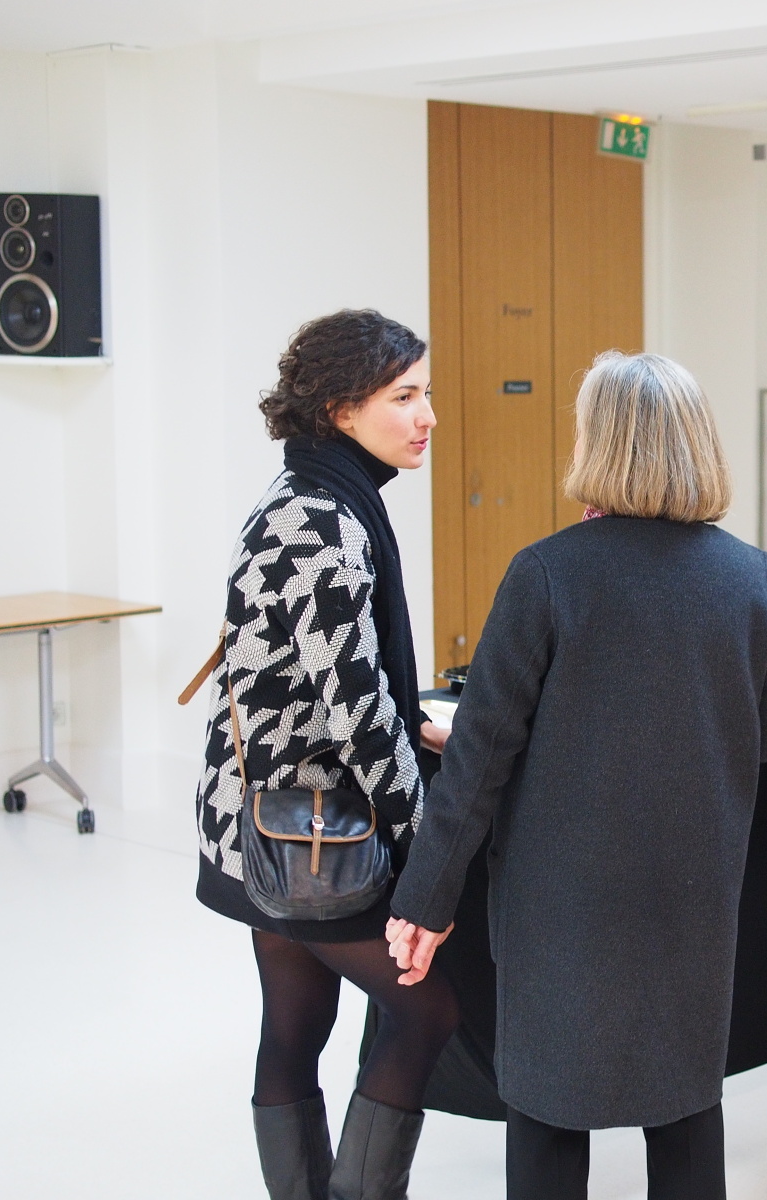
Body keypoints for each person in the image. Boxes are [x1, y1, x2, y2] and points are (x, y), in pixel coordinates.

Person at [385, 351, 767, 1200]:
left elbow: (479, 760)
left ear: (600, 444)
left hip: (561, 908)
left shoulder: (548, 573)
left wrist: (424, 902)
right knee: (686, 1112)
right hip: (691, 899)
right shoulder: (750, 576)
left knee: (547, 1114)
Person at [192, 310, 459, 1200]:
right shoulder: (321, 520)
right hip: (311, 831)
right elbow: (356, 715)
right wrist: (428, 845)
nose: (426, 416)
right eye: (405, 396)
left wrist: (411, 722)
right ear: (342, 408)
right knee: (425, 1011)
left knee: (295, 1023)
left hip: (265, 815)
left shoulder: (305, 493)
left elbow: (332, 680)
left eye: (426, 394)